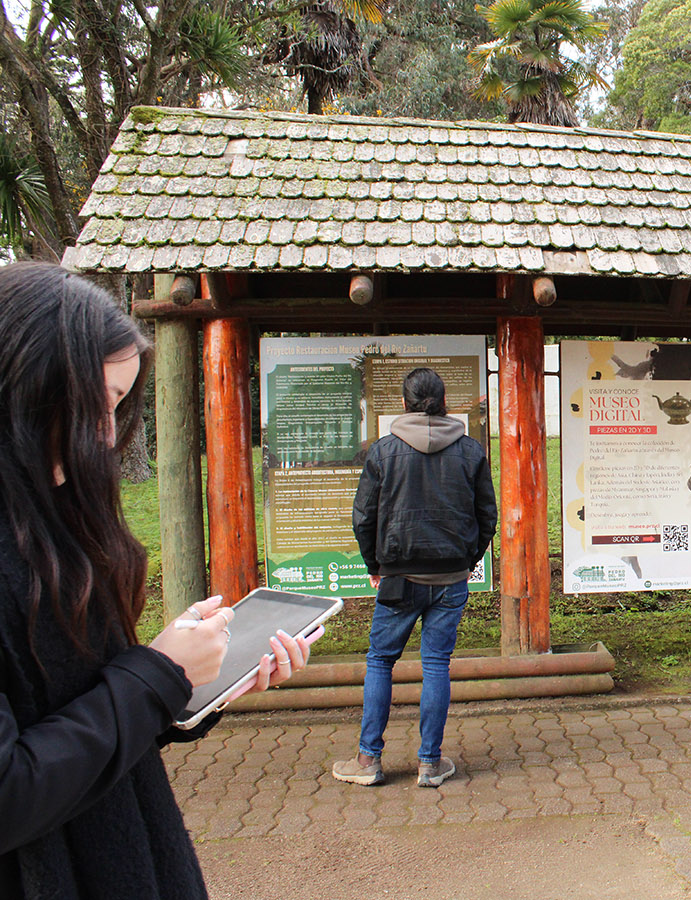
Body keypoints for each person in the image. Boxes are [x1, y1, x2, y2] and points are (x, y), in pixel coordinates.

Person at [0, 262, 314, 899]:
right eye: (94, 402)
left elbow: (82, 715)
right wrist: (154, 674)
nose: (107, 435)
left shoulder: (49, 524)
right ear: (24, 383)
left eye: (118, 405)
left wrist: (188, 681)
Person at [335, 367, 497, 788]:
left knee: (380, 661)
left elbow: (364, 517)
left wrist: (374, 565)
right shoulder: (471, 451)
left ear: (405, 404)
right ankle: (429, 763)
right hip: (450, 579)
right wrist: (466, 559)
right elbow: (487, 517)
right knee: (437, 664)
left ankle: (368, 761)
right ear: (444, 402)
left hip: (398, 577)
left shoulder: (383, 451)